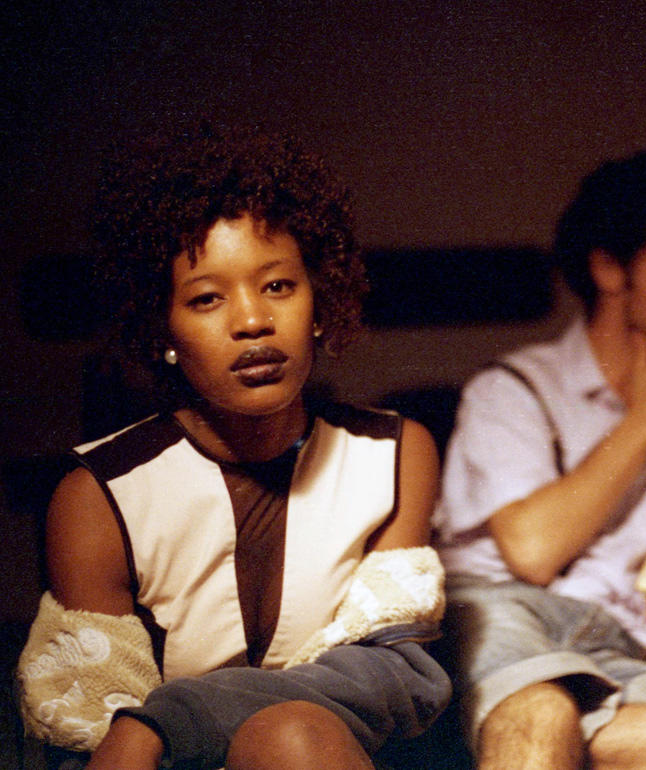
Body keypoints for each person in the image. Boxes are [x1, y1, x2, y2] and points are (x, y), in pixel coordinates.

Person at [16, 124, 451, 770]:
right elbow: (101, 744)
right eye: (207, 299)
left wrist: (169, 720)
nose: (252, 321)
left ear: (319, 303)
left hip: (336, 755)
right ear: (163, 330)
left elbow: (395, 675)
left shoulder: (392, 455)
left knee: (291, 736)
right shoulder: (100, 497)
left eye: (278, 286)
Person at [432, 151, 646, 769]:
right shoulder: (513, 389)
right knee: (539, 711)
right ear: (610, 268)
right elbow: (532, 549)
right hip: (500, 608)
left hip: (619, 634)